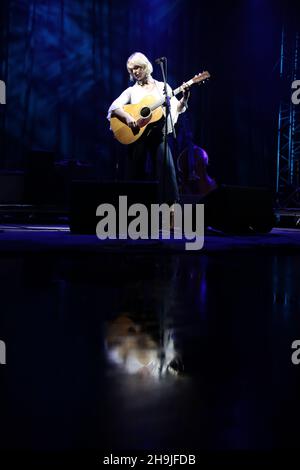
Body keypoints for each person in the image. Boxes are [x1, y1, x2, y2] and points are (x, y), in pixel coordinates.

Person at [107, 52, 190, 215]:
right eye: (131, 70)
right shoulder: (131, 91)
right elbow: (113, 108)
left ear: (145, 66)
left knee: (168, 170)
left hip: (159, 135)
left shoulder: (162, 87)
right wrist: (129, 117)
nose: (134, 72)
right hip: (138, 137)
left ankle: (170, 214)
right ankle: (134, 215)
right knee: (134, 173)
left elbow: (176, 108)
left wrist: (185, 97)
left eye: (137, 68)